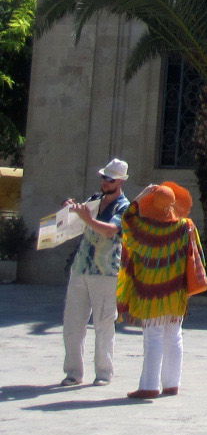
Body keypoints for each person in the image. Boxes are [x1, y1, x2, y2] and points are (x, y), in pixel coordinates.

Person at [119, 181, 206, 399]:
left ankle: (149, 385)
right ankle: (171, 384)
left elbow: (126, 219)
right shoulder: (186, 227)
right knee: (174, 335)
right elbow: (196, 256)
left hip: (150, 292)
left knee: (153, 337)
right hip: (175, 291)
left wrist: (140, 197)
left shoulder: (143, 228)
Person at [58, 157, 132, 386]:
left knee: (103, 324)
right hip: (81, 267)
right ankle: (73, 373)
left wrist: (87, 219)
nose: (105, 182)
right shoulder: (94, 200)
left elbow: (111, 230)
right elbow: (78, 223)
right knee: (73, 323)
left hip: (106, 271)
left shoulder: (124, 206)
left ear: (119, 182)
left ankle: (103, 373)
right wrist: (71, 210)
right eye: (103, 177)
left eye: (110, 179)